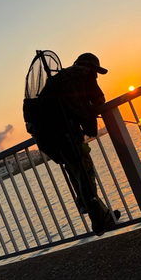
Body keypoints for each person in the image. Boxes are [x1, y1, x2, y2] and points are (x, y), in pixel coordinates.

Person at [35, 53, 120, 236]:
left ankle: (91, 207)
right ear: (89, 66)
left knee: (76, 173)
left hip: (50, 138)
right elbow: (99, 99)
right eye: (96, 71)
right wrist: (91, 109)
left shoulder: (58, 79)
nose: (96, 75)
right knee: (86, 174)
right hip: (67, 135)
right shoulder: (84, 74)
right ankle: (100, 222)